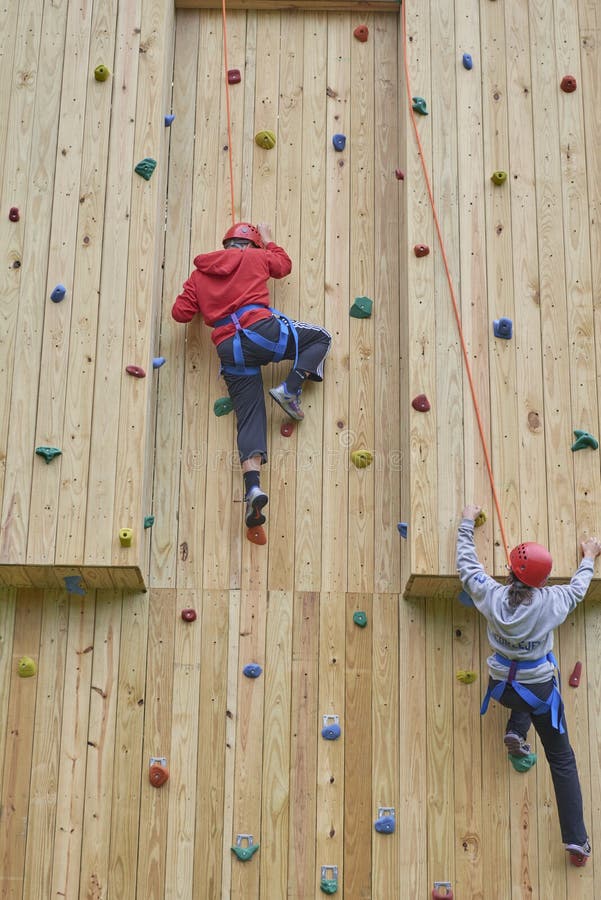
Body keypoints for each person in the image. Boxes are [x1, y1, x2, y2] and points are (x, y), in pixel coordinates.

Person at [456, 504, 601, 865]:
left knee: (523, 692)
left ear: (510, 572)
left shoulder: (491, 595)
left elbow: (468, 566)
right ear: (543, 580)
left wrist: (465, 523)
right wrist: (588, 557)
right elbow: (579, 588)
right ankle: (576, 843)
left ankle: (516, 733)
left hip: (502, 687)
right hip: (536, 692)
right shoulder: (553, 601)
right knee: (561, 759)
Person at [172, 222, 331, 528]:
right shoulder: (256, 257)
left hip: (230, 349)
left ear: (226, 243)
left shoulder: (199, 275)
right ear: (252, 246)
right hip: (261, 332)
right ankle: (290, 388)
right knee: (320, 338)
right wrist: (270, 241)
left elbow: (181, 314)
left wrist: (201, 294)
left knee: (250, 417)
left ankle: (253, 488)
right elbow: (283, 266)